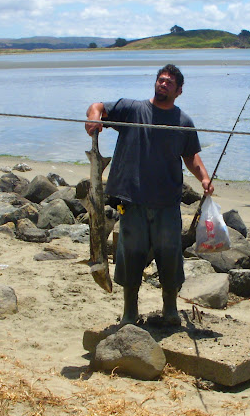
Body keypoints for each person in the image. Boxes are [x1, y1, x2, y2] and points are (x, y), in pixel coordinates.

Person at [85, 64, 213, 325]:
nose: (163, 84)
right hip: (131, 201)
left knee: (170, 255)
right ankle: (130, 312)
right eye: (160, 80)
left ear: (179, 90)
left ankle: (170, 310)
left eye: (169, 82)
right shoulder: (132, 109)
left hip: (167, 202)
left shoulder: (183, 122)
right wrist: (94, 117)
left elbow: (191, 156)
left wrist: (204, 178)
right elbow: (98, 106)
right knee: (130, 254)